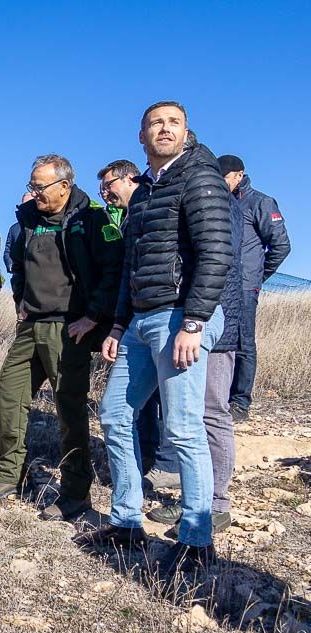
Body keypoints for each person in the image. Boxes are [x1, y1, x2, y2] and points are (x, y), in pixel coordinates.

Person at [94, 101, 232, 584]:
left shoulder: (199, 177)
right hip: (140, 320)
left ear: (186, 132)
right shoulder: (147, 191)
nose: (165, 129)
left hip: (181, 318)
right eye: (156, 123)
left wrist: (193, 323)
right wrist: (117, 325)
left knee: (183, 427)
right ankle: (126, 521)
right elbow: (132, 267)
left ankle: (198, 540)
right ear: (141, 136)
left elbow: (217, 251)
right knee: (114, 413)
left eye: (174, 122)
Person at [0, 155, 123, 521]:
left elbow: (113, 270)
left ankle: (75, 492)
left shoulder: (90, 220)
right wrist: (20, 300)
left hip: (68, 328)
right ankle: (11, 474)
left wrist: (92, 317)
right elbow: (18, 267)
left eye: (39, 186)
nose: (33, 193)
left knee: (69, 409)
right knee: (9, 394)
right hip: (31, 326)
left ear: (64, 186)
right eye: (32, 185)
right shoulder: (28, 222)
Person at [146, 173, 246, 534]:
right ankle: (193, 498)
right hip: (186, 319)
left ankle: (215, 504)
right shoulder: (185, 199)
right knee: (187, 414)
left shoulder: (215, 199)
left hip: (215, 325)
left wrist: (201, 320)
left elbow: (218, 266)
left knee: (211, 412)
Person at [98, 159, 181, 491]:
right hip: (135, 317)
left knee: (169, 399)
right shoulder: (127, 217)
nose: (105, 193)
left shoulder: (154, 207)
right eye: (102, 188)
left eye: (109, 185)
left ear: (129, 179)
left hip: (167, 313)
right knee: (134, 400)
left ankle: (171, 466)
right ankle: (145, 458)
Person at [219, 154, 292, 421]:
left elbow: (281, 246)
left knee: (243, 343)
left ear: (239, 175)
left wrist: (257, 277)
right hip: (220, 285)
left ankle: (240, 402)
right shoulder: (218, 201)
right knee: (219, 343)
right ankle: (219, 400)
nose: (220, 182)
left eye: (224, 177)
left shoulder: (260, 202)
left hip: (245, 286)